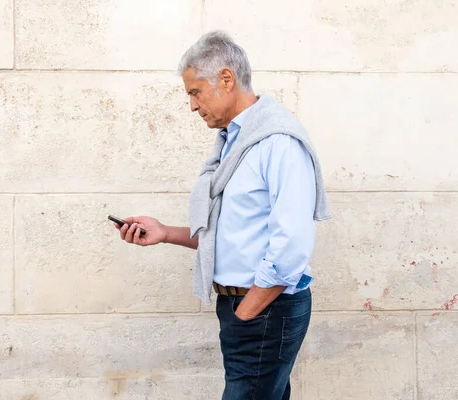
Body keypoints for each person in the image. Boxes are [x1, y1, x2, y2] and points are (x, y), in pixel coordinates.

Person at [114, 31, 330, 400]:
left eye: (195, 92)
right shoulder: (234, 144)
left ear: (226, 79)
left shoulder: (277, 143)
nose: (193, 106)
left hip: (264, 311)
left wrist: (248, 312)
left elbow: (291, 246)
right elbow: (230, 234)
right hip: (246, 308)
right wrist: (164, 232)